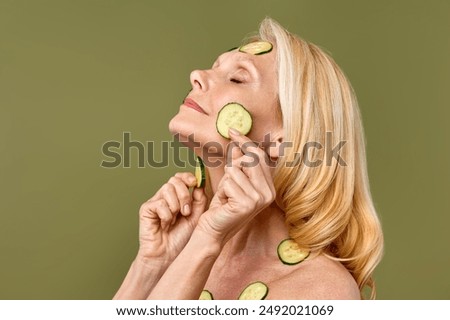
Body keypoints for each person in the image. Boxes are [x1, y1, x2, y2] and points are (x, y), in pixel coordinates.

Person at [114, 17, 383, 300]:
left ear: (283, 138)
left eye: (237, 78)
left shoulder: (322, 290)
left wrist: (207, 239)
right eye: (215, 67)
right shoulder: (181, 254)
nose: (196, 75)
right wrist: (150, 265)